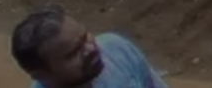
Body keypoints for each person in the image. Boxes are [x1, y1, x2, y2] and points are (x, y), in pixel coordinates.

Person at [11, 5, 167, 88]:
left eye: (85, 37)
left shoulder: (116, 49)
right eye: (73, 53)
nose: (91, 48)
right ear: (41, 75)